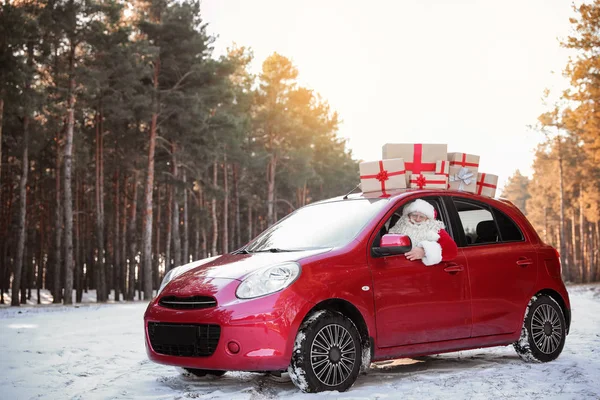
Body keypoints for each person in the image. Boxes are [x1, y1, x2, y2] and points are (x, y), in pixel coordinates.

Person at [388, 199, 458, 266]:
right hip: (399, 267)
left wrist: (425, 251)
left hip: (424, 272)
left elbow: (451, 251)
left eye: (421, 217)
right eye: (414, 215)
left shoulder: (434, 229)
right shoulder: (399, 227)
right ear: (408, 215)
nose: (417, 219)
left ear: (427, 218)